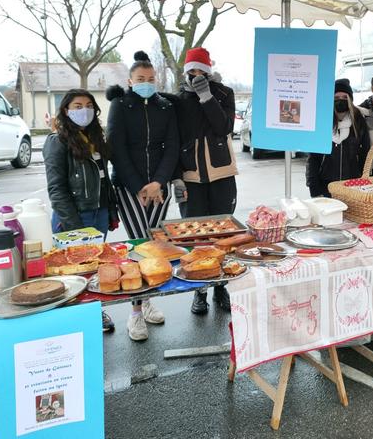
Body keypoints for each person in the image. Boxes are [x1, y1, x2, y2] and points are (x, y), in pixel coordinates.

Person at [106, 51, 180, 342]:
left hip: (160, 189)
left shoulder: (165, 106)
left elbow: (172, 146)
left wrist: (159, 182)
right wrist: (139, 185)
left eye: (150, 79)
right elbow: (116, 147)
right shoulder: (120, 105)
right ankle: (135, 312)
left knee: (155, 245)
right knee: (139, 245)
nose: (146, 83)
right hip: (129, 187)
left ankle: (147, 300)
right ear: (130, 80)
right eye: (140, 79)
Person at [169, 47, 238, 315]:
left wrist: (206, 96)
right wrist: (176, 177)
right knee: (195, 236)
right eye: (191, 71)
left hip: (221, 173)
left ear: (209, 71)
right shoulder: (178, 100)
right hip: (191, 176)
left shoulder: (224, 93)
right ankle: (198, 290)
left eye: (201, 71)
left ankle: (221, 285)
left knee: (222, 235)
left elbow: (223, 127)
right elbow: (173, 141)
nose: (195, 75)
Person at [43, 89, 118, 333]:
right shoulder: (57, 141)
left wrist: (111, 211)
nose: (82, 110)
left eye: (87, 105)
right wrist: (74, 227)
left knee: (94, 267)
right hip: (74, 217)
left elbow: (105, 179)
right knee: (74, 271)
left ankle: (94, 312)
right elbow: (56, 189)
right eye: (77, 106)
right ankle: (76, 321)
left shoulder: (96, 138)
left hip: (99, 212)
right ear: (66, 110)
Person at [306, 78, 371, 198]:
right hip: (326, 186)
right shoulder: (322, 121)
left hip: (353, 185)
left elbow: (366, 153)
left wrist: (364, 182)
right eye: (336, 98)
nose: (340, 101)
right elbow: (313, 159)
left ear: (350, 99)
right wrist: (314, 188)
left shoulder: (358, 121)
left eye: (344, 98)